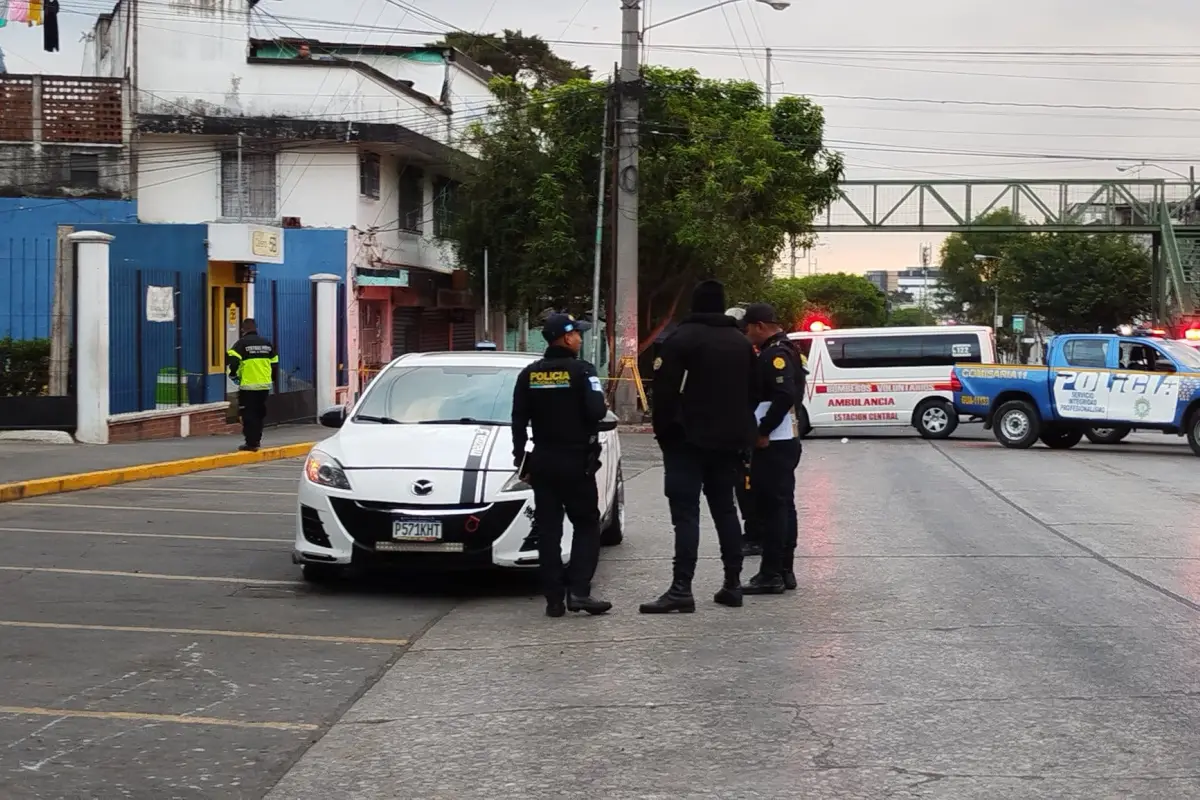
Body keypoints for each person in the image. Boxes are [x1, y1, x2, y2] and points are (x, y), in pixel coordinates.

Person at [640, 280, 758, 614]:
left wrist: (665, 435)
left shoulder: (682, 340)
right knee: (726, 511)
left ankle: (682, 589)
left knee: (686, 516)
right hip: (729, 443)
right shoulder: (740, 343)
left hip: (686, 442)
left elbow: (663, 395)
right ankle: (733, 584)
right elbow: (752, 394)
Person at [512, 313, 612, 618]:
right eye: (577, 334)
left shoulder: (529, 374)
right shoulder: (583, 372)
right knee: (586, 523)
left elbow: (518, 420)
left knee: (549, 530)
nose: (580, 338)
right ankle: (579, 592)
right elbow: (597, 411)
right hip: (576, 462)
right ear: (566, 338)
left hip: (542, 462)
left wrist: (521, 460)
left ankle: (553, 599)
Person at [741, 303, 802, 594]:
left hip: (775, 442)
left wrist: (763, 430)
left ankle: (772, 573)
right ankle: (784, 569)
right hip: (785, 440)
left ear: (760, 326)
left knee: (772, 508)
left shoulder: (775, 354)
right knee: (783, 505)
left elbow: (784, 395)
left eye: (748, 328)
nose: (747, 333)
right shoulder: (787, 349)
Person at [725, 306, 763, 557]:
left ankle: (755, 535)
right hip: (743, 427)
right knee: (742, 485)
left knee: (749, 487)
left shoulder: (752, 353)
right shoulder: (746, 351)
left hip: (752, 428)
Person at [226, 318, 278, 453]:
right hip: (264, 386)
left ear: (243, 330)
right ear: (256, 328)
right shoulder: (267, 344)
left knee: (248, 414)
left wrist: (234, 376)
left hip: (248, 386)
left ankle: (251, 443)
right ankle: (257, 440)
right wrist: (271, 379)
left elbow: (233, 363)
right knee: (259, 413)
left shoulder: (241, 344)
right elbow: (274, 364)